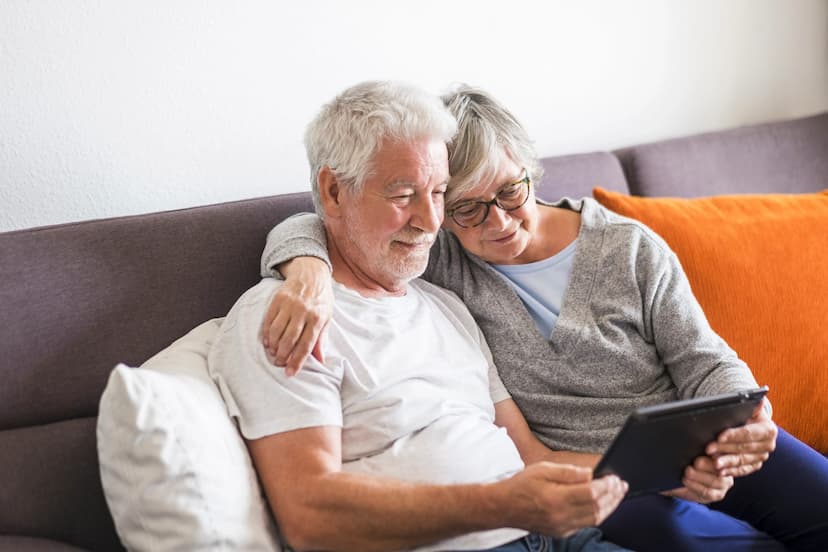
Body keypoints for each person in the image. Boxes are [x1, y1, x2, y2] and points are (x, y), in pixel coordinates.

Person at [259, 84, 828, 552]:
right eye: (467, 208)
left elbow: (706, 359)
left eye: (510, 192)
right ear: (442, 210)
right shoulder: (442, 259)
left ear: (532, 170)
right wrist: (305, 271)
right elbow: (315, 219)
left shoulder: (627, 247)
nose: (498, 223)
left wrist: (743, 423)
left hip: (703, 444)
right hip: (600, 477)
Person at [208, 81, 633, 552]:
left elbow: (531, 457)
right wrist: (504, 505)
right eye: (404, 194)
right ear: (333, 192)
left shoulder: (446, 304)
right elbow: (309, 516)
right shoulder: (289, 315)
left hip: (555, 536)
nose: (432, 221)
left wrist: (664, 472)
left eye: (439, 193)